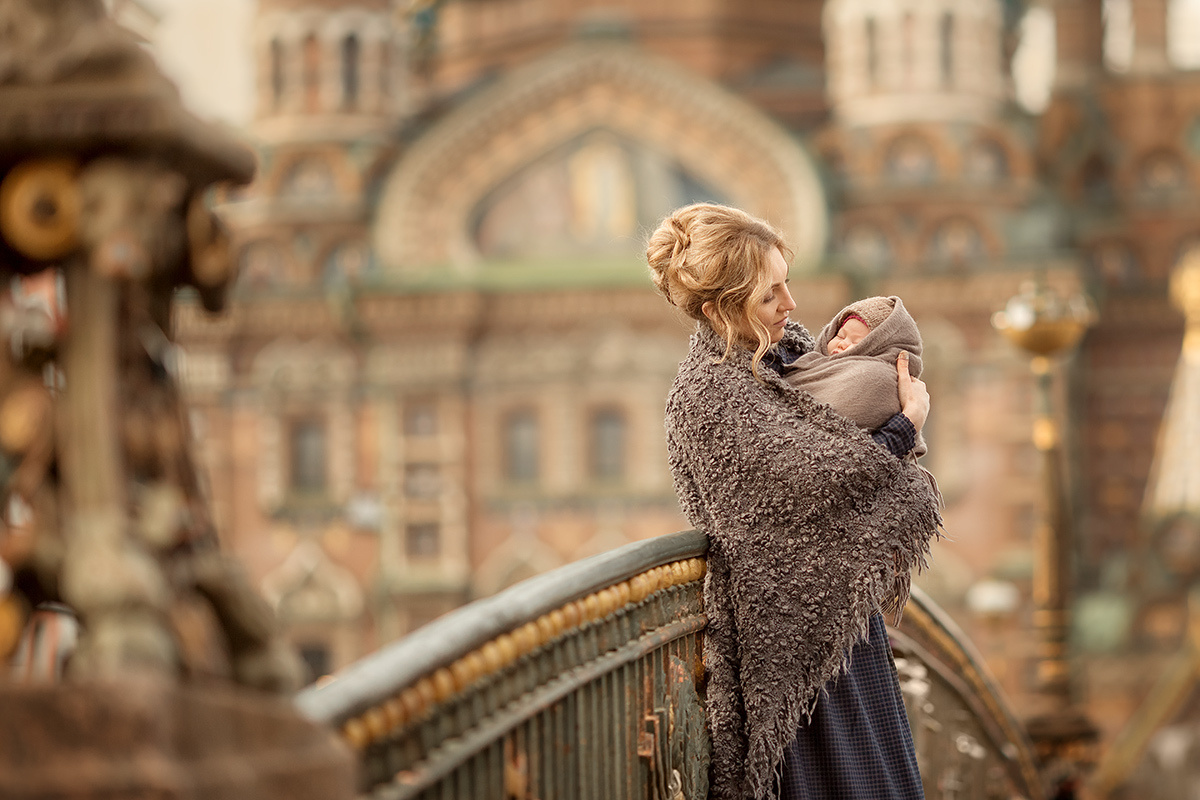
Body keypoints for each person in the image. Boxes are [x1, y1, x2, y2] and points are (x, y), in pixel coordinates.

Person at [646, 202, 942, 800]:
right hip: (787, 637)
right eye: (769, 295)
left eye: (786, 283)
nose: (791, 303)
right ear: (718, 309)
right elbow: (817, 486)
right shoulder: (709, 396)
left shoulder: (792, 356)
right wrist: (906, 426)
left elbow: (841, 461)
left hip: (844, 618)